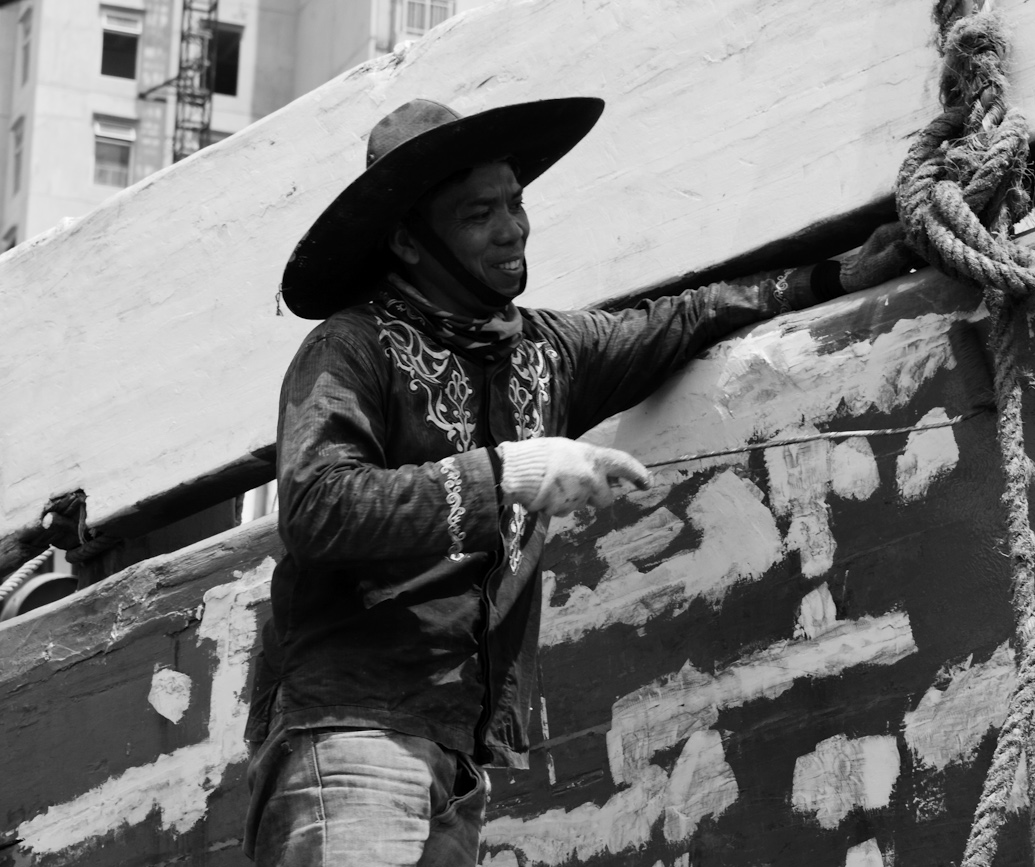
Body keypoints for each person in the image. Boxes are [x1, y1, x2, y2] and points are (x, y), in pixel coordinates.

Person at [242, 96, 917, 866]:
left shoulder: (547, 351)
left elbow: (684, 317)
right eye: (478, 213)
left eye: (516, 203)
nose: (512, 229)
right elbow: (317, 505)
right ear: (407, 240)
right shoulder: (349, 348)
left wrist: (832, 275)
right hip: (349, 732)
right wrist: (510, 475)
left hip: (459, 753)